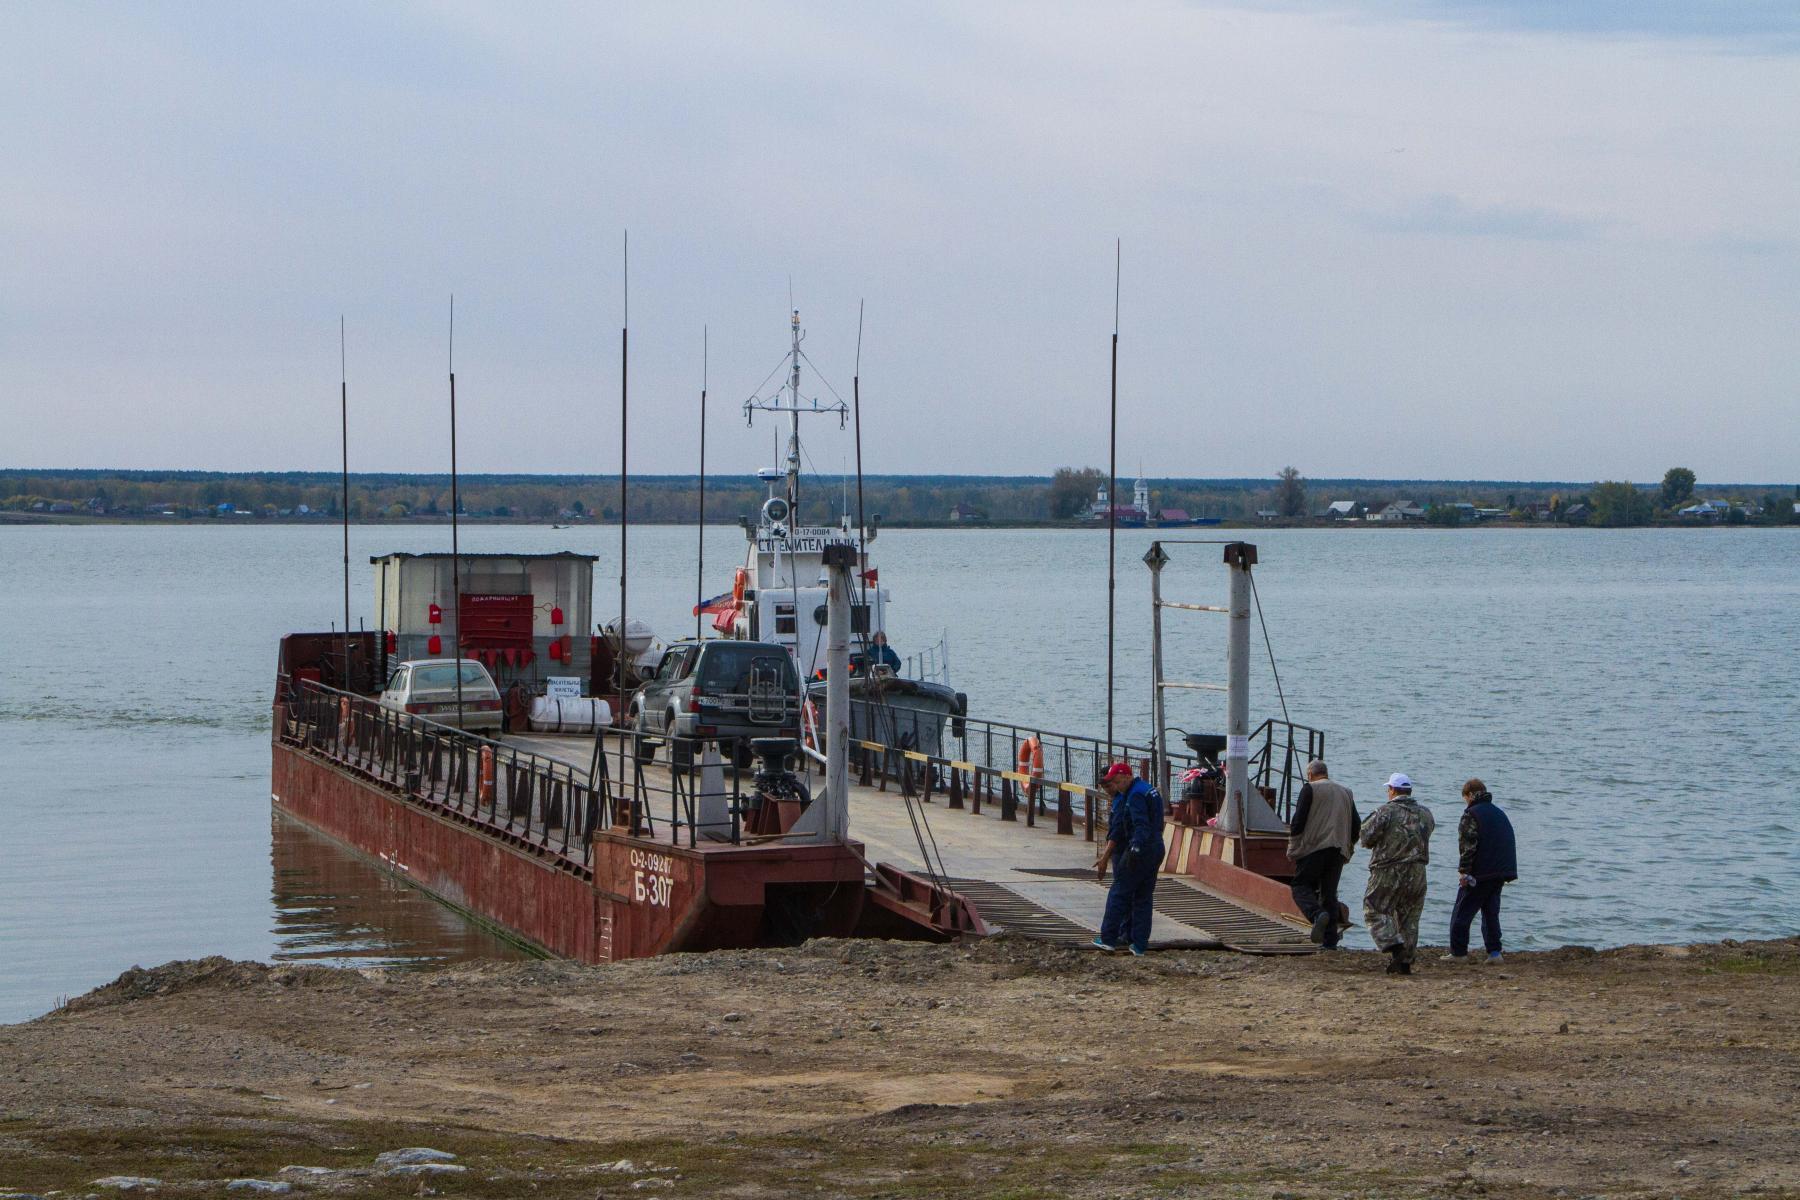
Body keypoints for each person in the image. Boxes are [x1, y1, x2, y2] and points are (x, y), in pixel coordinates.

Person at [1359, 772, 1435, 975]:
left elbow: (1365, 837)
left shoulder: (1385, 812)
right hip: (1418, 871)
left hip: (1388, 869)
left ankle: (1394, 946)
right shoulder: (1426, 813)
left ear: (1392, 790)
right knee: (1409, 917)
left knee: (1373, 909)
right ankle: (1405, 962)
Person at [1092, 762, 1165, 956]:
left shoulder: (1134, 795)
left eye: (1117, 782)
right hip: (1157, 846)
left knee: (1119, 892)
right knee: (1143, 896)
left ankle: (1108, 939)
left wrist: (1135, 848)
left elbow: (1141, 825)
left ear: (1126, 776)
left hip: (1141, 848)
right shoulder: (1149, 790)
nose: (1115, 787)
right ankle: (1139, 944)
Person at [1285, 759, 1360, 948]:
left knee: (1300, 886)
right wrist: (1349, 846)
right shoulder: (1346, 792)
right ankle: (1330, 942)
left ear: (1310, 774)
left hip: (1314, 848)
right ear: (1326, 772)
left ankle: (1317, 914)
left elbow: (1298, 822)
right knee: (1329, 894)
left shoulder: (1309, 789)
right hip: (1338, 850)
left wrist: (1293, 848)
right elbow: (1356, 825)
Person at [1444, 778, 1517, 964]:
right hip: (1501, 870)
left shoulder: (1471, 814)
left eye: (1464, 798)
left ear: (1469, 795)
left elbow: (1468, 847)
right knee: (1490, 912)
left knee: (1462, 912)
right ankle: (1495, 953)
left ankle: (1458, 953)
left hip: (1480, 872)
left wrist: (1464, 872)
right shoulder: (1499, 812)